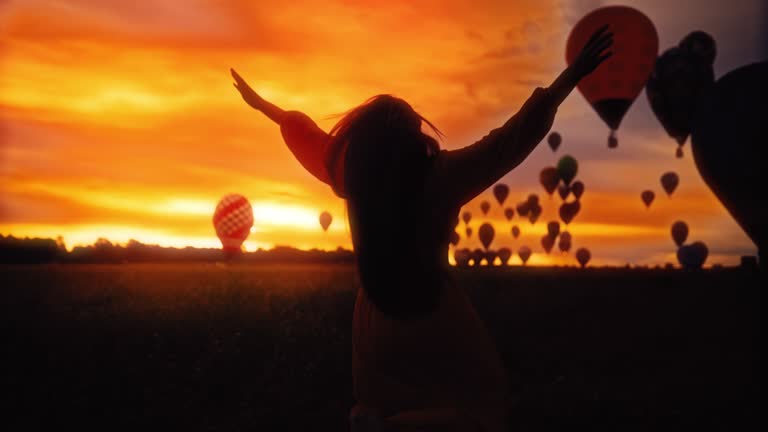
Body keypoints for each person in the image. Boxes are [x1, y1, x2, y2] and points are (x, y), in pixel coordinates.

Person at [232, 25, 613, 432]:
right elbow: (510, 139)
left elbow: (309, 136)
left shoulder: (354, 173)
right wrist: (570, 79)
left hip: (374, 316)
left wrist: (263, 107)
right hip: (430, 309)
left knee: (385, 398)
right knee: (478, 407)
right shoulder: (440, 176)